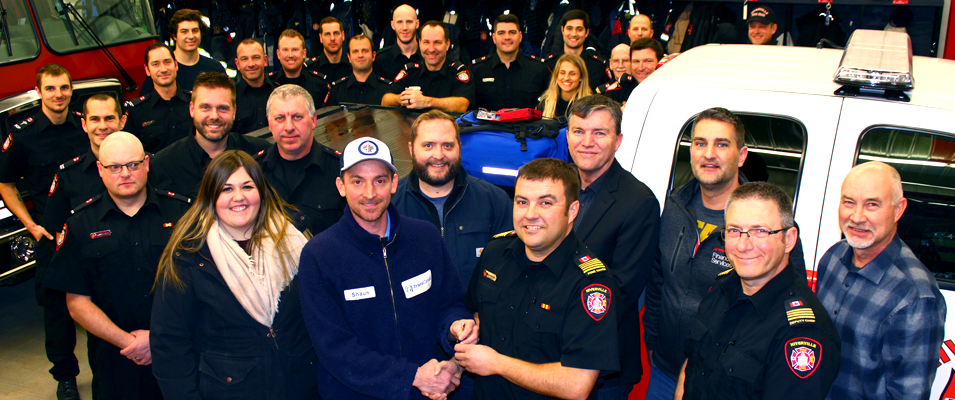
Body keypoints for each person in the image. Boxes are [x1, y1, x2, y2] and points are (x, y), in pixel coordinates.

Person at [299, 137, 475, 399]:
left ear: (393, 183)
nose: (369, 193)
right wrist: (411, 376)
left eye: (379, 181)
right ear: (341, 186)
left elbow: (450, 303)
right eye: (357, 181)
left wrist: (454, 326)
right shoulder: (319, 255)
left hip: (428, 391)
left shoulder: (425, 238)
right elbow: (334, 348)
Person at [151, 150, 318, 400]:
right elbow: (170, 346)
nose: (238, 197)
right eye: (226, 189)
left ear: (261, 191)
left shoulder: (296, 241)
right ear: (211, 196)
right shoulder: (188, 258)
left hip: (302, 387)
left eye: (247, 187)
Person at [454, 158, 619, 399]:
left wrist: (497, 364)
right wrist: (469, 332)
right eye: (522, 202)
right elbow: (477, 312)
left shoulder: (590, 284)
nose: (530, 214)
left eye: (546, 203)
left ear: (572, 211)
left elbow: (577, 385)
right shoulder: (495, 252)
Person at [44, 132, 192, 400]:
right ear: (100, 170)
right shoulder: (80, 225)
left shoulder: (183, 215)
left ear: (147, 164)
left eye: (133, 164)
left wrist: (157, 339)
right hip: (116, 359)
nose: (125, 174)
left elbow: (203, 288)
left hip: (181, 351)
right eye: (114, 167)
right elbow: (77, 303)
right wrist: (131, 343)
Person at [675, 182, 840, 400]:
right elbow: (693, 365)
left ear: (789, 240)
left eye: (760, 231)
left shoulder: (801, 334)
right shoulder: (721, 288)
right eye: (734, 230)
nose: (743, 245)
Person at [643, 108, 752, 400]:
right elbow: (658, 280)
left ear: (742, 155)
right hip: (664, 369)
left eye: (722, 144)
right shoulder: (675, 206)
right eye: (700, 143)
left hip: (720, 382)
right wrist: (652, 338)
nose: (709, 154)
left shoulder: (763, 222)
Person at [815, 161, 946, 400]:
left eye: (872, 205)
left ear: (898, 209)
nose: (857, 217)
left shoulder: (915, 296)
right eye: (849, 202)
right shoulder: (832, 258)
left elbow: (908, 395)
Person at [0, 64, 87, 400]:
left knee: (104, 298)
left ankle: (110, 367)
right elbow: (5, 184)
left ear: (71, 90)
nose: (58, 95)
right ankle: (65, 377)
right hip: (51, 236)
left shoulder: (85, 125)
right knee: (56, 309)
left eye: (64, 87)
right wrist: (31, 225)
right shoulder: (23, 134)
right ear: (38, 92)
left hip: (89, 228)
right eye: (50, 88)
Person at [565, 95, 660, 399]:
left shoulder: (639, 202)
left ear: (618, 141)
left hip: (603, 367)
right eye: (578, 131)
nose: (586, 142)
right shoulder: (556, 186)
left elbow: (620, 292)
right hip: (549, 352)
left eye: (599, 133)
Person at [392, 110, 512, 285]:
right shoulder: (390, 205)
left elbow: (509, 268)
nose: (438, 155)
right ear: (411, 149)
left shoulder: (495, 201)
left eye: (447, 145)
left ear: (459, 147)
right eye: (428, 145)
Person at [150, 72, 269, 199]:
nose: (214, 116)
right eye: (205, 107)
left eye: (222, 108)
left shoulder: (260, 155)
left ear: (234, 112)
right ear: (192, 109)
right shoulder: (163, 166)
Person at [258, 84, 346, 235]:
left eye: (297, 117)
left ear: (313, 120)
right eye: (280, 118)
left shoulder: (340, 170)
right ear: (269, 124)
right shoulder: (254, 172)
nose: (289, 127)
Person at [383, 21, 475, 112]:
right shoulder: (410, 70)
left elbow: (461, 106)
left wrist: (426, 102)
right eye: (426, 42)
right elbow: (385, 101)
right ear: (420, 44)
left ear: (447, 45)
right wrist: (401, 98)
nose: (431, 49)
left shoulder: (459, 72)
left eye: (437, 42)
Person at [469, 14, 550, 111]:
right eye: (501, 33)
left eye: (512, 32)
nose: (507, 37)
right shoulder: (477, 70)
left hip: (528, 122)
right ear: (494, 38)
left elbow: (550, 106)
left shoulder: (539, 69)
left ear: (520, 36)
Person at [125, 43, 194, 153]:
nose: (163, 69)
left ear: (176, 65)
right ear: (147, 70)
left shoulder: (195, 102)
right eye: (155, 64)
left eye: (167, 62)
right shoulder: (136, 111)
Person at [140, 9, 225, 96]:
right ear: (174, 35)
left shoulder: (215, 68)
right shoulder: (162, 71)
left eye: (195, 31)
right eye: (184, 32)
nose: (191, 36)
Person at [542, 10, 612, 91]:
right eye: (569, 28)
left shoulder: (599, 67)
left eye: (579, 29)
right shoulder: (548, 65)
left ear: (587, 32)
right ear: (562, 30)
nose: (574, 34)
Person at [326, 34, 397, 106]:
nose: (360, 55)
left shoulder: (387, 90)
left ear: (373, 55)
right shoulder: (337, 90)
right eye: (355, 51)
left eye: (365, 51)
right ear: (349, 57)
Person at [268, 30, 330, 110]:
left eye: (295, 50)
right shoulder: (268, 85)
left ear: (304, 53)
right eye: (285, 50)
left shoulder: (319, 85)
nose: (290, 55)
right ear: (278, 54)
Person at [373, 4, 424, 86]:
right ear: (392, 25)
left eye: (409, 22)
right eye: (400, 22)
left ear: (417, 24)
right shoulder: (381, 60)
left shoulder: (429, 56)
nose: (404, 27)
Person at [234, 39, 277, 133]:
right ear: (237, 64)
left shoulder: (279, 93)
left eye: (256, 57)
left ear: (265, 60)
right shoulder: (230, 97)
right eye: (244, 59)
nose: (251, 64)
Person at [537, 53, 592, 119]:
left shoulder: (590, 105)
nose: (566, 78)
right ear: (556, 75)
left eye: (572, 74)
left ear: (581, 77)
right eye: (562, 73)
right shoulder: (544, 102)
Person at [306, 16, 351, 82]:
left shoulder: (354, 66)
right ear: (320, 38)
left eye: (336, 33)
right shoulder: (309, 70)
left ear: (343, 35)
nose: (332, 38)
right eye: (327, 34)